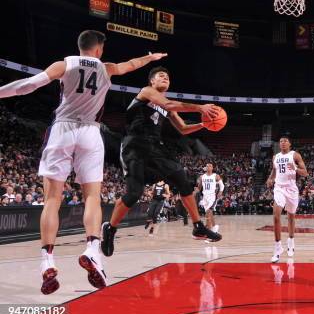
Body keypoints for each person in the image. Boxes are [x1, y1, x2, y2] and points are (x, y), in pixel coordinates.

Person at [0, 29, 167, 294]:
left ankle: (47, 262)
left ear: (80, 46)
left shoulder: (64, 64)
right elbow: (131, 65)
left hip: (63, 130)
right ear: (99, 49)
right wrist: (150, 58)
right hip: (91, 132)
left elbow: (29, 85)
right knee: (92, 196)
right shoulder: (107, 68)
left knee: (52, 199)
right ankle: (92, 250)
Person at [101, 66, 222, 257]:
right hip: (135, 145)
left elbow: (182, 128)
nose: (165, 77)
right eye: (161, 76)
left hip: (155, 147)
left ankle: (198, 226)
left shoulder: (166, 105)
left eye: (167, 76)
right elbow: (168, 105)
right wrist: (199, 107)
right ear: (152, 81)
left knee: (183, 179)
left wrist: (204, 124)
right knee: (134, 193)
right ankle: (110, 228)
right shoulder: (147, 92)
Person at [266, 136, 308, 263]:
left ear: (290, 143)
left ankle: (291, 241)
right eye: (281, 141)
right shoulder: (276, 157)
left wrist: (295, 168)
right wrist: (270, 178)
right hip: (279, 188)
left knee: (291, 217)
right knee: (276, 216)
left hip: (291, 189)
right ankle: (278, 248)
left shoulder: (295, 155)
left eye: (285, 141)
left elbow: (305, 173)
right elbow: (274, 170)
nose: (283, 143)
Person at [197, 163, 224, 234]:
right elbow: (199, 188)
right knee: (210, 214)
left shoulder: (215, 176)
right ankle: (214, 227)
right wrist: (194, 192)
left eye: (210, 166)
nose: (208, 167)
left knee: (208, 214)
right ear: (206, 168)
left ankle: (209, 233)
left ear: (212, 168)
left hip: (212, 197)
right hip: (205, 197)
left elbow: (222, 185)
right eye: (207, 166)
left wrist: (220, 192)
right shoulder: (202, 177)